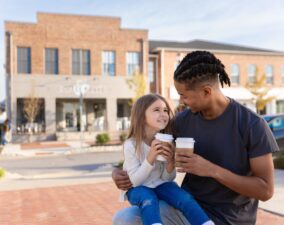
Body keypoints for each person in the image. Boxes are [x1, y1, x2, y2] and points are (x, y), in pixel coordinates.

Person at [112, 51, 279, 225]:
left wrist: (211, 170)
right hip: (186, 208)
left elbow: (265, 190)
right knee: (125, 219)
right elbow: (142, 148)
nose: (181, 101)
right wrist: (117, 172)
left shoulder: (252, 125)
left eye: (184, 95)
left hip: (231, 219)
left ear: (206, 91)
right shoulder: (181, 122)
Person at [119, 94, 214, 225]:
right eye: (156, 110)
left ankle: (205, 222)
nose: (163, 114)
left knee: (183, 196)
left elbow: (167, 179)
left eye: (165, 110)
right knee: (148, 198)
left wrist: (170, 162)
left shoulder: (165, 140)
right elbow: (135, 181)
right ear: (141, 116)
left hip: (160, 184)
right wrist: (150, 157)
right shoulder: (131, 145)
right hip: (137, 189)